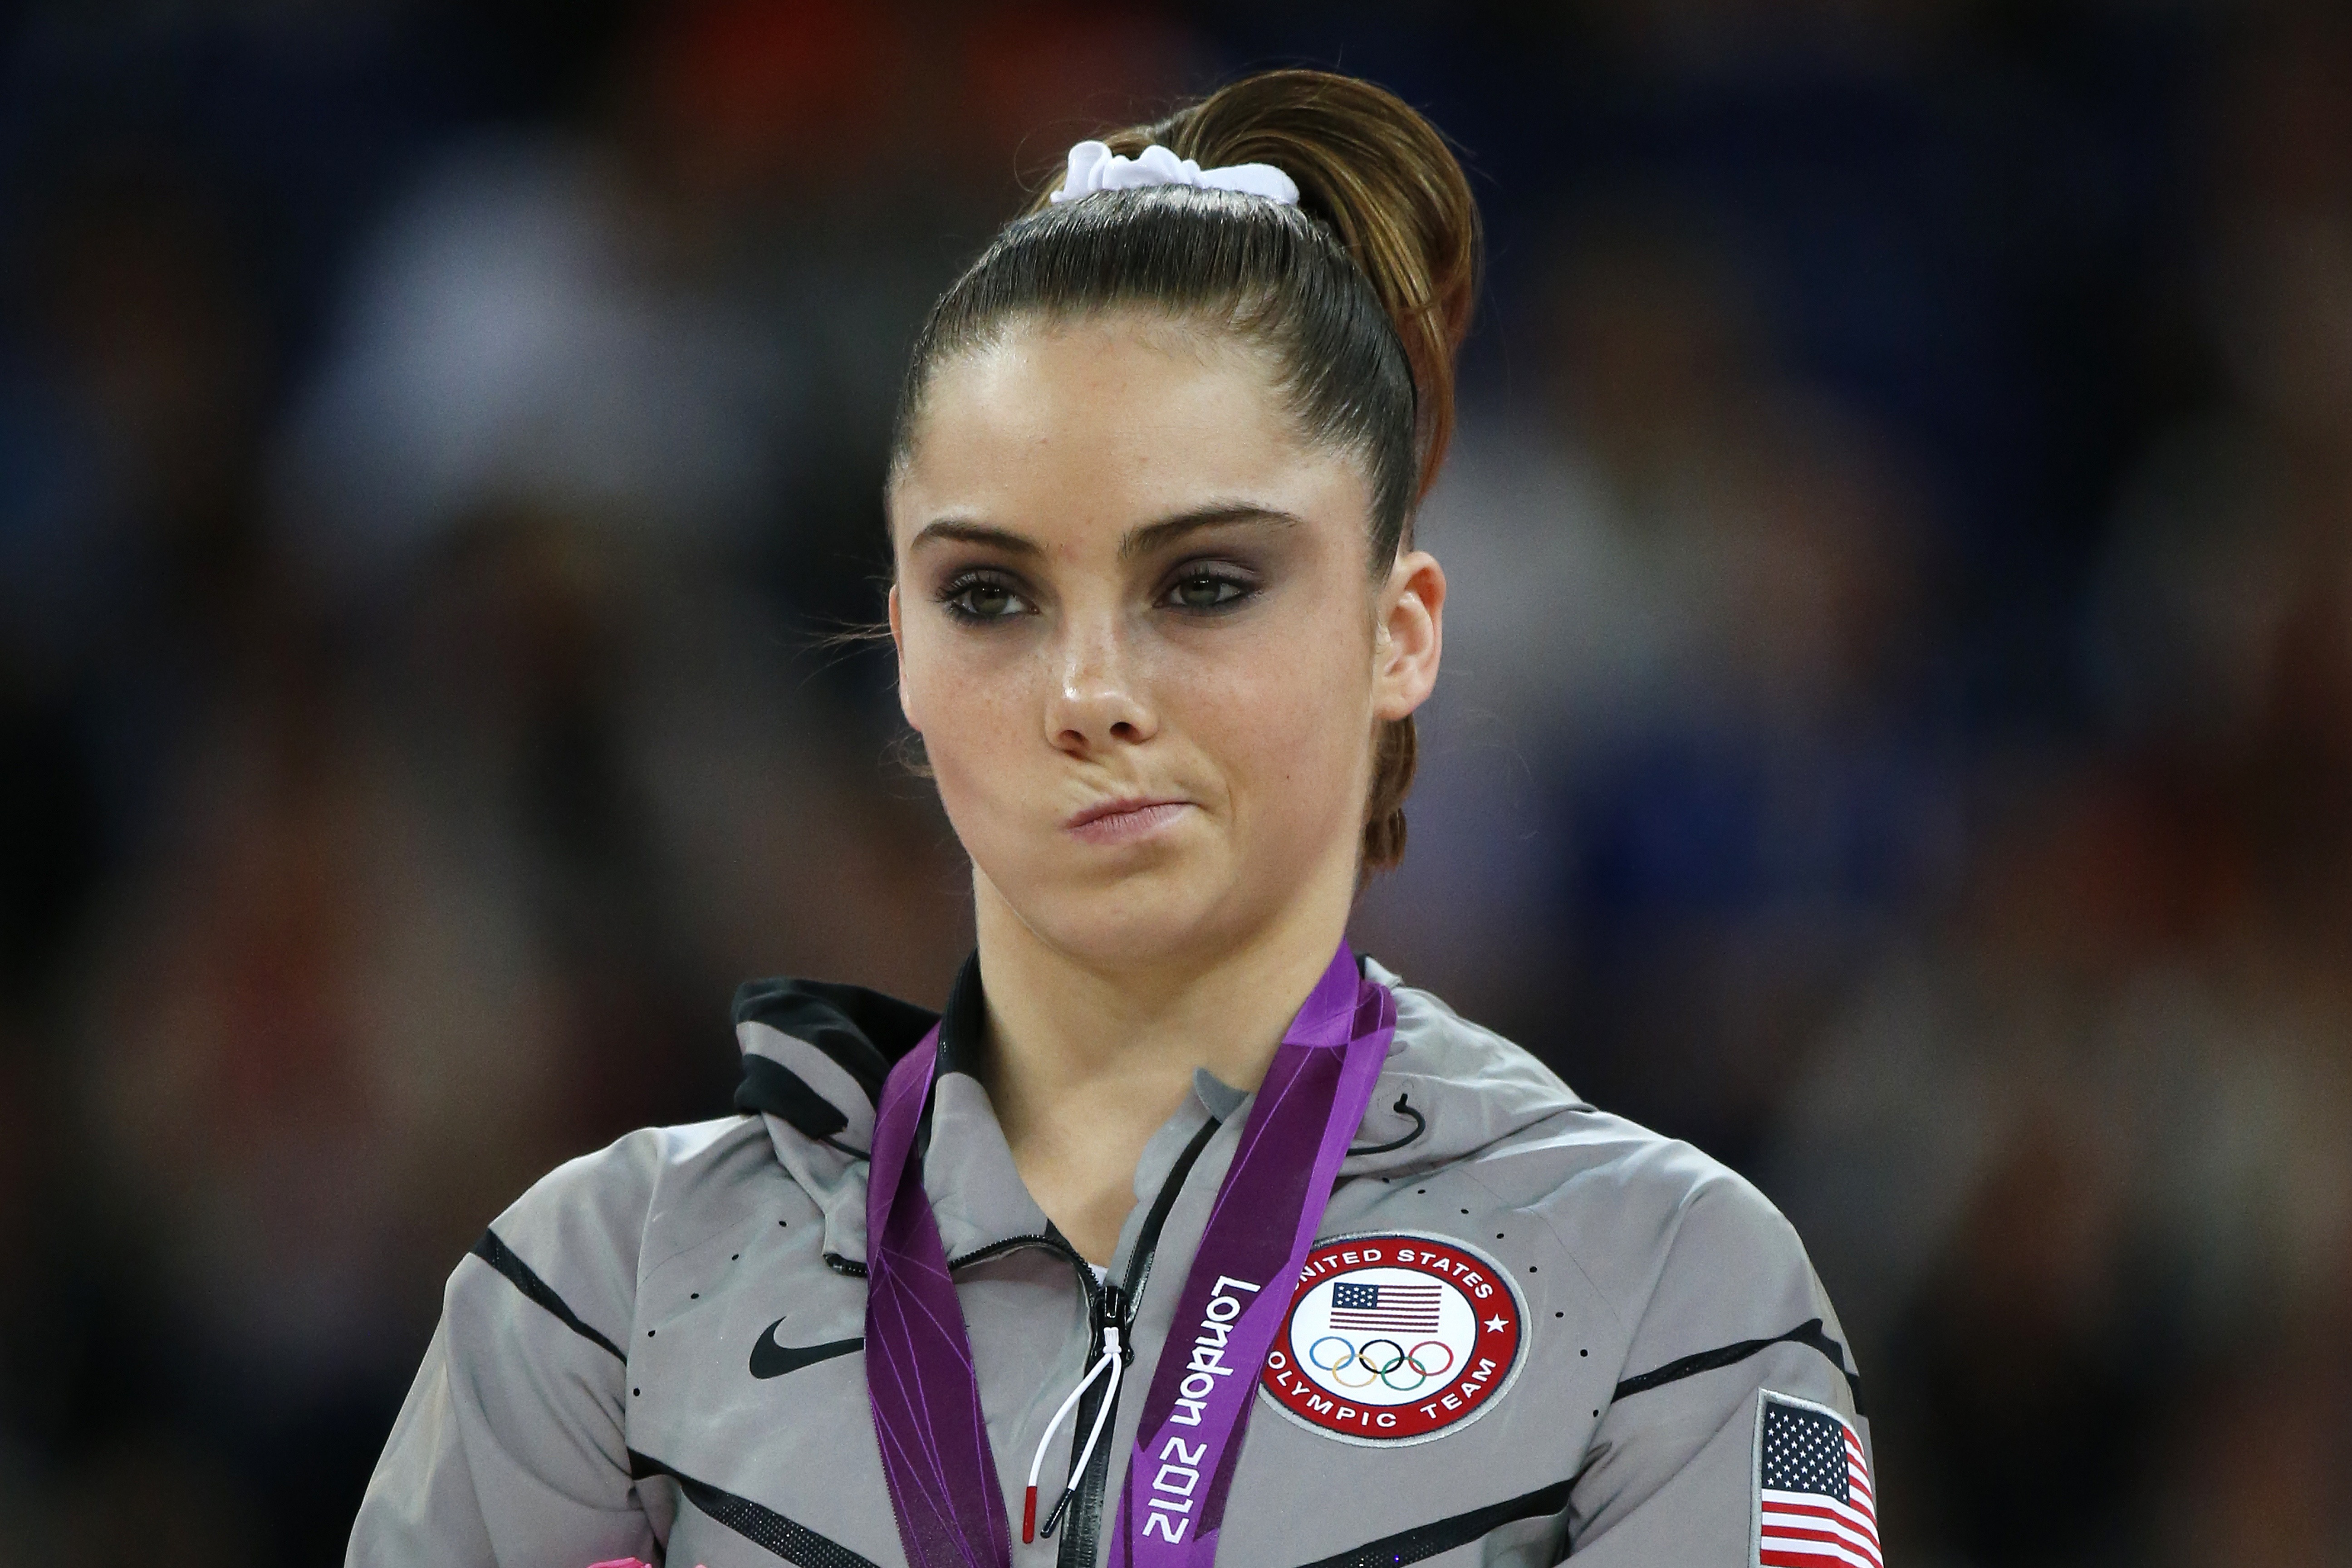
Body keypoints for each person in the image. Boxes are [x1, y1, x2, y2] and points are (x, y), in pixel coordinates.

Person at [347, 69, 1874, 1568]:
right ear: (906, 655)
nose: (1088, 693)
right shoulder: (599, 1298)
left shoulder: (1674, 1293)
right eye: (991, 595)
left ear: (1397, 633)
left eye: (1203, 584)